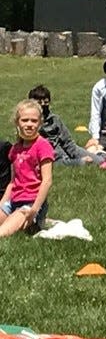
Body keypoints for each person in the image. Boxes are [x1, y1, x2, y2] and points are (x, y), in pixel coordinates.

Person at [0, 100, 54, 238]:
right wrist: (2, 204)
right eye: (25, 120)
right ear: (17, 123)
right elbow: (13, 182)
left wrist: (34, 210)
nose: (29, 124)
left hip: (31, 203)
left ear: (40, 123)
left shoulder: (43, 146)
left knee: (3, 232)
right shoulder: (15, 149)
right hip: (13, 202)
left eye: (34, 121)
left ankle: (37, 221)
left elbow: (47, 181)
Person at [28, 85, 106, 167]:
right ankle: (80, 162)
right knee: (73, 162)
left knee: (99, 160)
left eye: (46, 102)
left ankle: (102, 157)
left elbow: (68, 143)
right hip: (52, 158)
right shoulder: (30, 124)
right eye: (39, 103)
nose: (43, 105)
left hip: (64, 153)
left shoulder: (55, 119)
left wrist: (94, 158)